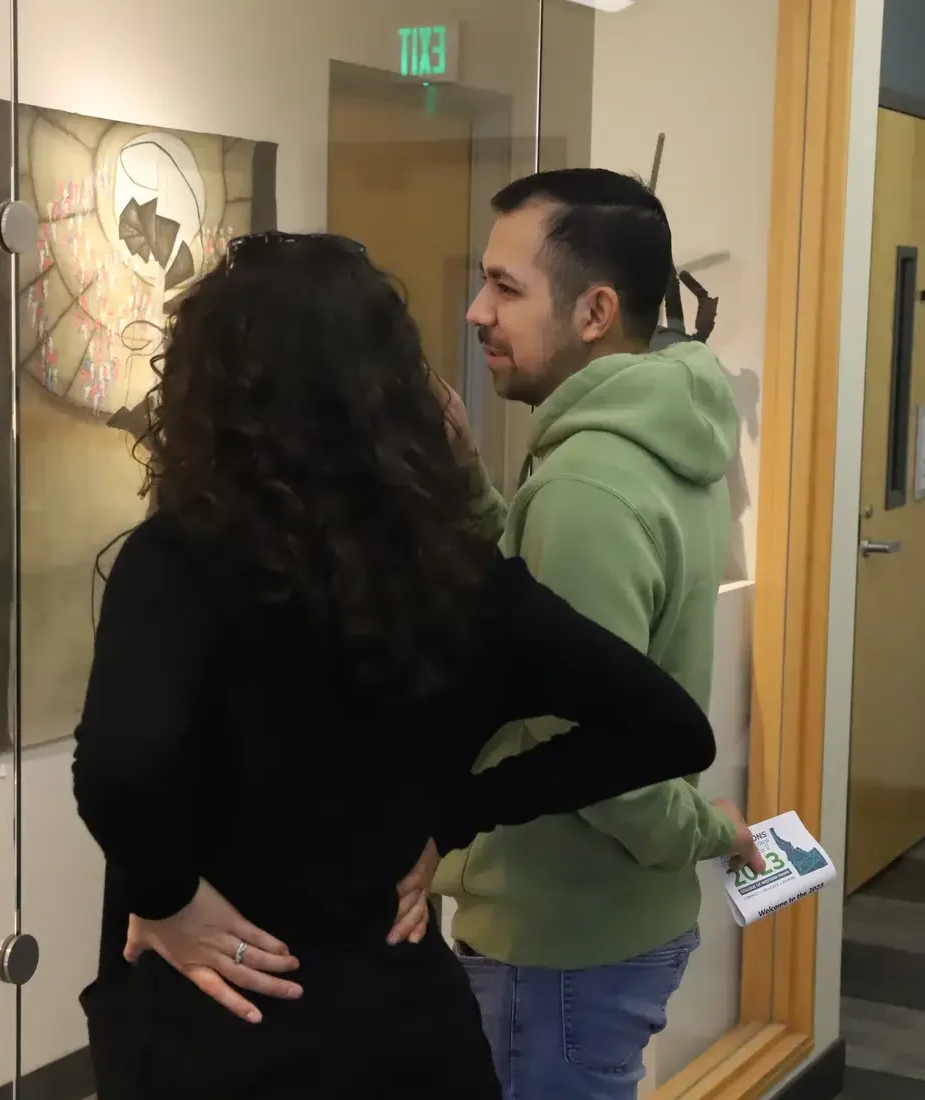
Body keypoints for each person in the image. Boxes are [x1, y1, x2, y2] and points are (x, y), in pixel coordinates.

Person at [72, 231, 721, 1100]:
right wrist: (457, 814)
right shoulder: (456, 570)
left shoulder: (180, 559)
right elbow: (666, 728)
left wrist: (166, 899)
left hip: (225, 1027)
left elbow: (123, 768)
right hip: (406, 1033)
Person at [422, 169, 765, 1099]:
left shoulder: (585, 484)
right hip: (604, 928)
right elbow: (552, 626)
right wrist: (467, 485)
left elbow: (594, 746)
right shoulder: (664, 427)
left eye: (505, 286)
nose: (474, 311)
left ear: (596, 310)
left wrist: (704, 826)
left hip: (556, 939)